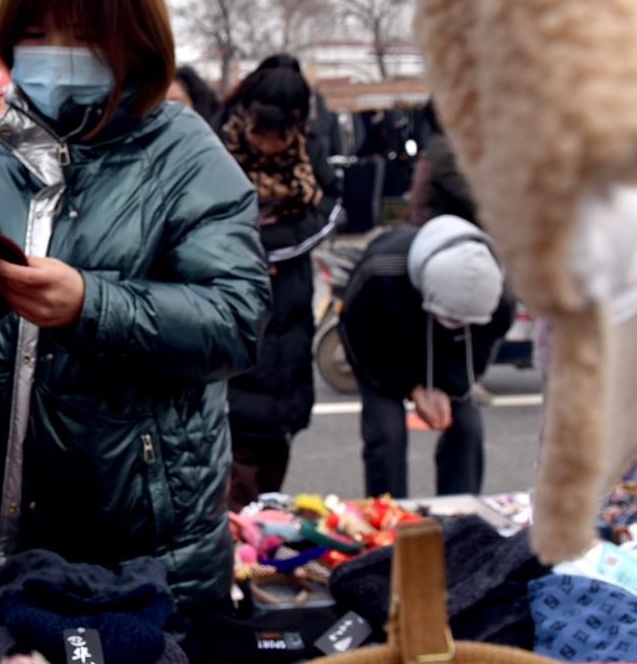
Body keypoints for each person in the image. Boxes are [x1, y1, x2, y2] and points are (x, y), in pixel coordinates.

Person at [0, 0, 269, 651]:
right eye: (38, 31)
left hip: (147, 561)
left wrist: (94, 304)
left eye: (80, 33)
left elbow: (238, 318)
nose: (56, 55)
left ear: (134, 37)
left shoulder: (184, 152)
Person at [217, 56, 341, 508]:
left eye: (280, 137)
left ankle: (259, 546)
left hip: (289, 299)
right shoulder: (215, 149)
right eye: (259, 134)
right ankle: (235, 553)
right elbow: (198, 222)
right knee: (236, 468)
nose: (268, 147)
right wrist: (245, 257)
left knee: (273, 452)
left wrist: (274, 249)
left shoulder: (311, 155)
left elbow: (325, 212)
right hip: (230, 294)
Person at [339, 208, 515, 498]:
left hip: (452, 356)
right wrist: (412, 386)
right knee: (387, 433)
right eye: (452, 319)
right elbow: (359, 338)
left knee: (468, 429)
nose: (458, 324)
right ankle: (389, 517)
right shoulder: (381, 269)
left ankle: (460, 514)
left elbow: (481, 350)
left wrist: (449, 387)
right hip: (385, 349)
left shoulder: (499, 297)